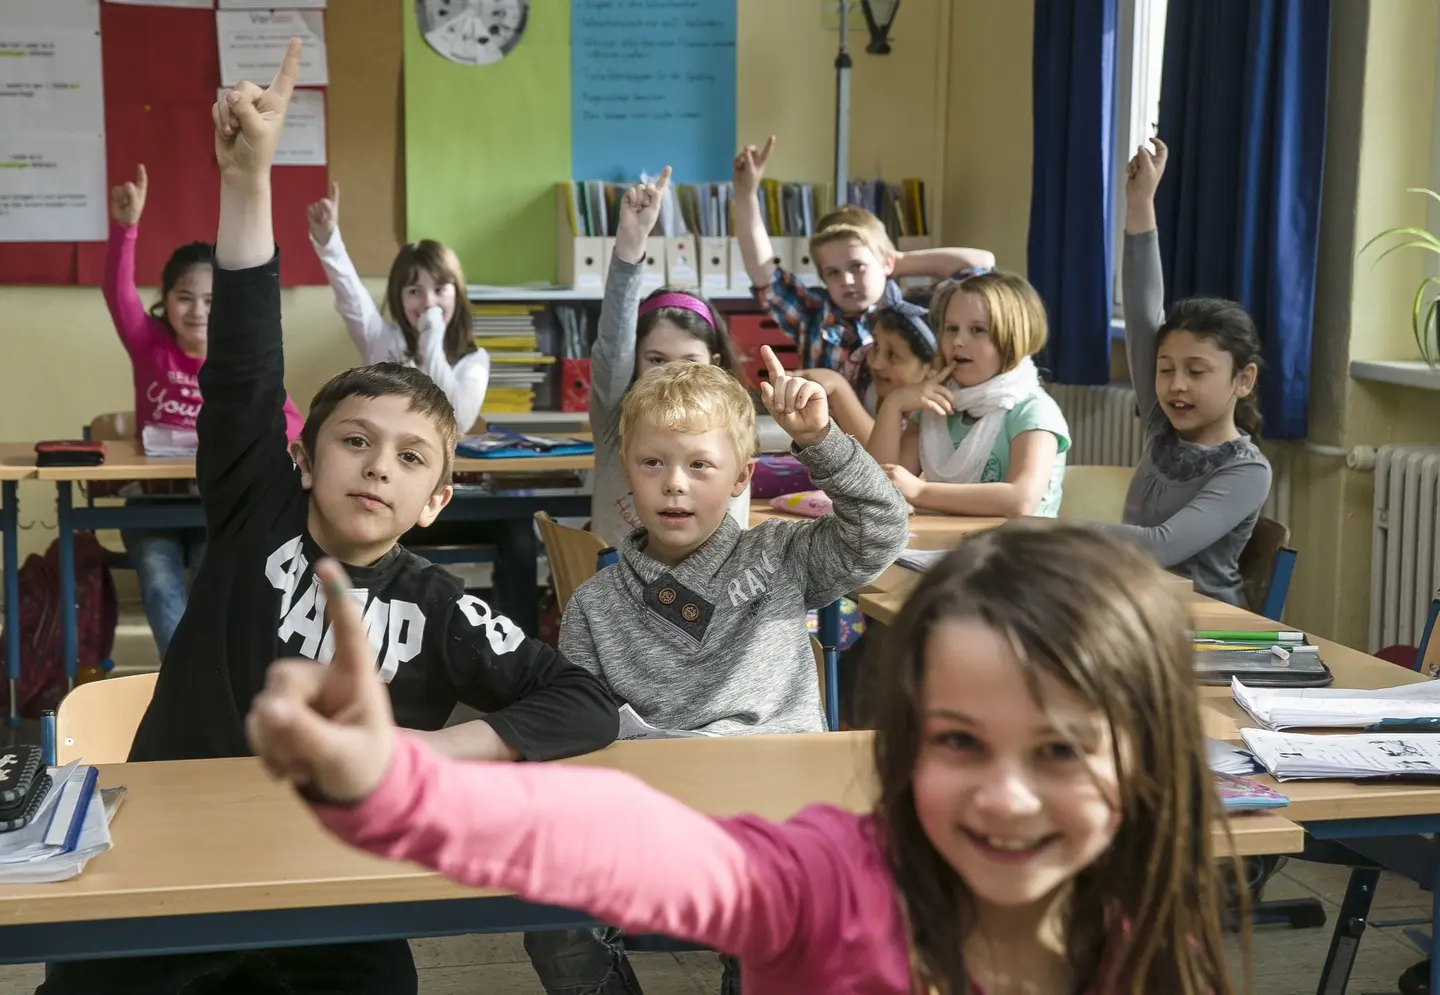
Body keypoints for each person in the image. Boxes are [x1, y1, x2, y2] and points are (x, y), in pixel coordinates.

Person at [39, 40, 618, 995]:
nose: (376, 465)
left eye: (410, 457)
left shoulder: (438, 604)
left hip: (331, 897)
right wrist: (248, 176)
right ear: (303, 455)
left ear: (436, 502)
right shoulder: (255, 505)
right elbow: (244, 358)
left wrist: (437, 748)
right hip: (168, 879)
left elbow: (583, 700)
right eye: (353, 440)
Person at [246, 521, 1248, 995]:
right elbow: (634, 842)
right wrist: (400, 783)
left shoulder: (1142, 920)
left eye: (1062, 749)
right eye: (958, 740)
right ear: (901, 741)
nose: (1008, 793)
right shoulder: (830, 882)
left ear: (1149, 757)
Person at [525, 350, 909, 995]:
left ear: (740, 478)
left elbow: (882, 529)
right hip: (654, 814)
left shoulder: (784, 557)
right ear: (628, 473)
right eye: (654, 463)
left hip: (776, 809)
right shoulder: (597, 602)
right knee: (552, 918)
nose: (675, 484)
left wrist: (818, 440)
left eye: (701, 465)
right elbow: (577, 728)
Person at [103, 162, 305, 658]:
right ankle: (180, 682)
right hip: (151, 503)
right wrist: (126, 229)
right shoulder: (148, 344)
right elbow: (116, 292)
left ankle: (216, 684)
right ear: (165, 302)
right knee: (159, 584)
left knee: (217, 589)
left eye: (212, 300)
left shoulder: (239, 362)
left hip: (218, 502)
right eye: (185, 298)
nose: (197, 311)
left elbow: (290, 418)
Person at [1101, 139, 1271, 606]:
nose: (1176, 385)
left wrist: (1047, 532)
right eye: (1166, 369)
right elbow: (1140, 310)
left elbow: (1160, 545)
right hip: (1135, 609)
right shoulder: (1164, 422)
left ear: (1244, 379)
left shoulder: (1247, 470)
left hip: (1206, 629)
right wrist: (1140, 202)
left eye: (1196, 372)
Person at [733, 134, 994, 371]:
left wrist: (896, 263)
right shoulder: (813, 312)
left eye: (857, 267)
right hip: (825, 424)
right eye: (832, 272)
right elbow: (764, 273)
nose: (846, 280)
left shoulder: (915, 312)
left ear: (885, 262)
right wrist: (746, 194)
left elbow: (980, 264)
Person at [591, 167, 748, 547]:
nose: (673, 377)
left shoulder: (730, 421)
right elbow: (614, 342)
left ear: (714, 362)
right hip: (621, 595)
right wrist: (631, 242)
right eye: (657, 361)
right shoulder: (618, 413)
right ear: (635, 363)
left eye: (690, 362)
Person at [867, 272, 1071, 517]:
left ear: (1013, 338)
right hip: (949, 547)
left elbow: (1021, 500)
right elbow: (878, 494)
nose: (959, 341)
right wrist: (894, 403)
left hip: (1021, 550)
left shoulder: (1033, 411)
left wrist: (920, 491)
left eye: (977, 330)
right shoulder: (934, 405)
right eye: (951, 329)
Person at [307, 180, 490, 435]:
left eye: (439, 290)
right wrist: (329, 241)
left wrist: (432, 338)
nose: (428, 302)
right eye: (415, 291)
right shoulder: (380, 339)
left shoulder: (474, 361)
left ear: (457, 294)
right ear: (398, 296)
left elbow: (459, 421)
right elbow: (349, 293)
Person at [801, 285, 943, 445]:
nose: (876, 363)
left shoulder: (933, 413)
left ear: (933, 366)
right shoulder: (859, 371)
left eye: (893, 355)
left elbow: (879, 458)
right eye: (876, 346)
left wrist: (840, 390)